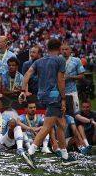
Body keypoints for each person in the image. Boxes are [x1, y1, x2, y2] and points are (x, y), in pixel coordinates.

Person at [20, 38, 76, 167]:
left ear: (47, 48)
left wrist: (23, 90)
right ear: (59, 48)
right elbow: (61, 80)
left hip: (42, 96)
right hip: (54, 96)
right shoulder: (60, 60)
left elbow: (27, 74)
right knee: (47, 126)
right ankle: (30, 152)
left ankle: (64, 155)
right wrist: (63, 99)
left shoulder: (39, 61)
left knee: (61, 124)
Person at [61, 42, 85, 113]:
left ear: (70, 50)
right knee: (61, 112)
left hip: (72, 91)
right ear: (60, 50)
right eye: (62, 49)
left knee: (76, 112)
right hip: (60, 92)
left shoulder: (76, 60)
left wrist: (69, 77)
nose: (64, 51)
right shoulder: (57, 61)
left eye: (66, 49)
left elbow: (82, 76)